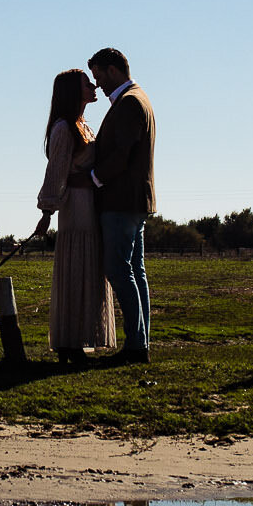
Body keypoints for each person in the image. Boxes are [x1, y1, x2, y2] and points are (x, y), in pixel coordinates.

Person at [75, 47, 156, 362]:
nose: (98, 85)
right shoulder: (138, 98)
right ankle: (140, 341)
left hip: (122, 199)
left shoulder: (129, 103)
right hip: (136, 200)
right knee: (135, 270)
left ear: (111, 70)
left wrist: (93, 178)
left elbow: (121, 155)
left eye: (98, 76)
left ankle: (137, 345)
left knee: (119, 269)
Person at [33, 69, 115, 362]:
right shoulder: (64, 129)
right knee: (77, 267)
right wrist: (46, 212)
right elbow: (56, 172)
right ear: (73, 91)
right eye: (86, 83)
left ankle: (82, 336)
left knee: (89, 267)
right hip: (76, 207)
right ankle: (70, 341)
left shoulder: (83, 126)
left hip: (90, 205)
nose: (94, 87)